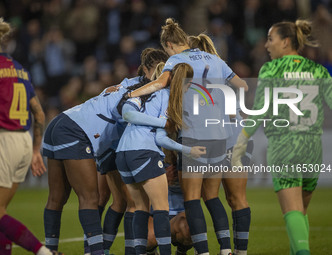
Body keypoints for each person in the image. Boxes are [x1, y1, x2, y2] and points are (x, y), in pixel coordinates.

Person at [124, 18, 248, 255]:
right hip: (219, 136)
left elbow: (159, 84)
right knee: (212, 197)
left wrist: (132, 94)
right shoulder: (215, 59)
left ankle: (203, 252)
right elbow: (243, 85)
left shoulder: (176, 60)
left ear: (169, 44)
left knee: (193, 199)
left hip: (193, 135)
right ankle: (226, 250)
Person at [42, 48, 169, 255]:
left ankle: (49, 250)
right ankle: (96, 252)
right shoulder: (143, 89)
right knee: (92, 198)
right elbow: (124, 111)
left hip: (63, 122)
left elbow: (109, 100)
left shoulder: (128, 82)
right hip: (79, 130)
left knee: (58, 197)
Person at [232, 20, 332, 255]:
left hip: (285, 145)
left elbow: (259, 110)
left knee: (292, 210)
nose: (266, 45)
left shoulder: (271, 69)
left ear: (285, 42)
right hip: (312, 147)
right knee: (300, 211)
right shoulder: (318, 70)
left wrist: (241, 141)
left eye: (270, 38)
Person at [0, 18, 60, 255]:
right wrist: (34, 150)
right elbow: (39, 113)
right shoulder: (19, 68)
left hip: (3, 140)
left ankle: (43, 252)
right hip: (23, 140)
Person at [189, 33, 254, 255]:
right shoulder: (219, 72)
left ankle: (226, 249)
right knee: (236, 198)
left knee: (210, 195)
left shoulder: (196, 82)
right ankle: (239, 251)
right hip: (240, 138)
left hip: (224, 138)